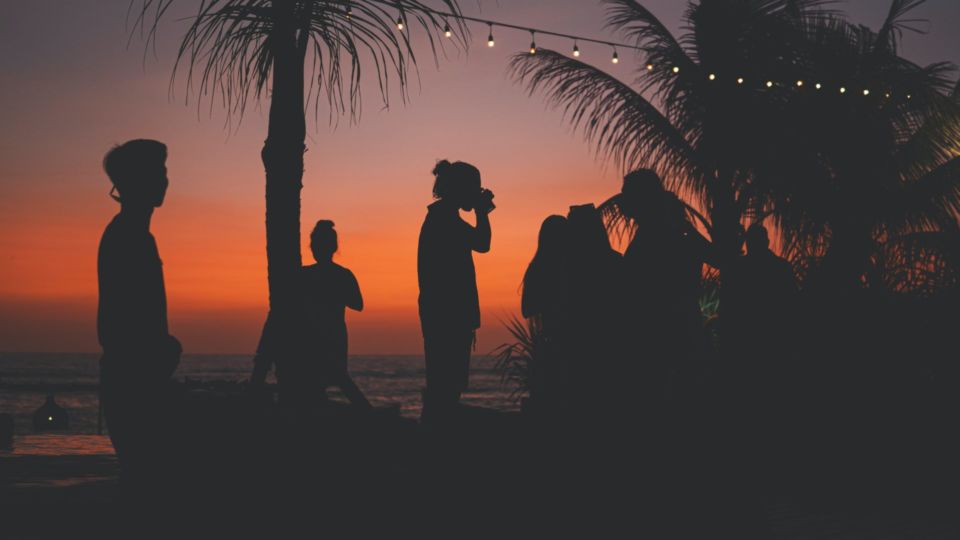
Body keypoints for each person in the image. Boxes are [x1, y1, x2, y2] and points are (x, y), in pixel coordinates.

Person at [97, 139, 181, 487]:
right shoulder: (129, 237)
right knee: (145, 483)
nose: (165, 181)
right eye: (159, 173)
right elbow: (117, 322)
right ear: (135, 181)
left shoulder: (134, 235)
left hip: (135, 376)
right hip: (135, 380)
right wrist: (159, 352)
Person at [612, 169, 714, 405]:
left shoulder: (664, 233)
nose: (622, 200)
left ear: (641, 198)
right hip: (677, 329)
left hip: (663, 334)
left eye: (626, 194)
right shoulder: (676, 229)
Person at [417, 160, 495, 423]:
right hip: (448, 317)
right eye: (474, 187)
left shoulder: (442, 218)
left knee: (443, 386)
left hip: (442, 315)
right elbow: (483, 244)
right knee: (446, 388)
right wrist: (482, 213)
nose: (477, 193)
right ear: (461, 189)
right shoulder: (444, 221)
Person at [300, 220, 372, 410]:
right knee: (336, 377)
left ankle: (367, 414)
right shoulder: (343, 274)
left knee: (324, 379)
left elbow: (358, 304)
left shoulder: (305, 275)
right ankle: (367, 414)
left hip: (315, 334)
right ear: (334, 248)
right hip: (332, 334)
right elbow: (358, 304)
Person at [521, 215, 571, 412]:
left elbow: (527, 308)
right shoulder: (567, 268)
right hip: (558, 340)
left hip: (550, 339)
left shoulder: (537, 268)